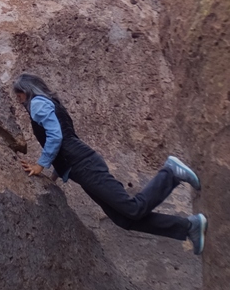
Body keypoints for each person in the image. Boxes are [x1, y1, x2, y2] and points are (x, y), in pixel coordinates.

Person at [13, 73, 208, 255]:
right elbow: (63, 139)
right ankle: (189, 227)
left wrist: (40, 165)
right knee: (123, 218)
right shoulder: (48, 102)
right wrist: (55, 174)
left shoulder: (37, 104)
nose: (18, 99)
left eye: (18, 94)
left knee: (133, 208)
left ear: (26, 90)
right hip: (81, 166)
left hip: (84, 165)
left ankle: (171, 173)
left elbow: (56, 137)